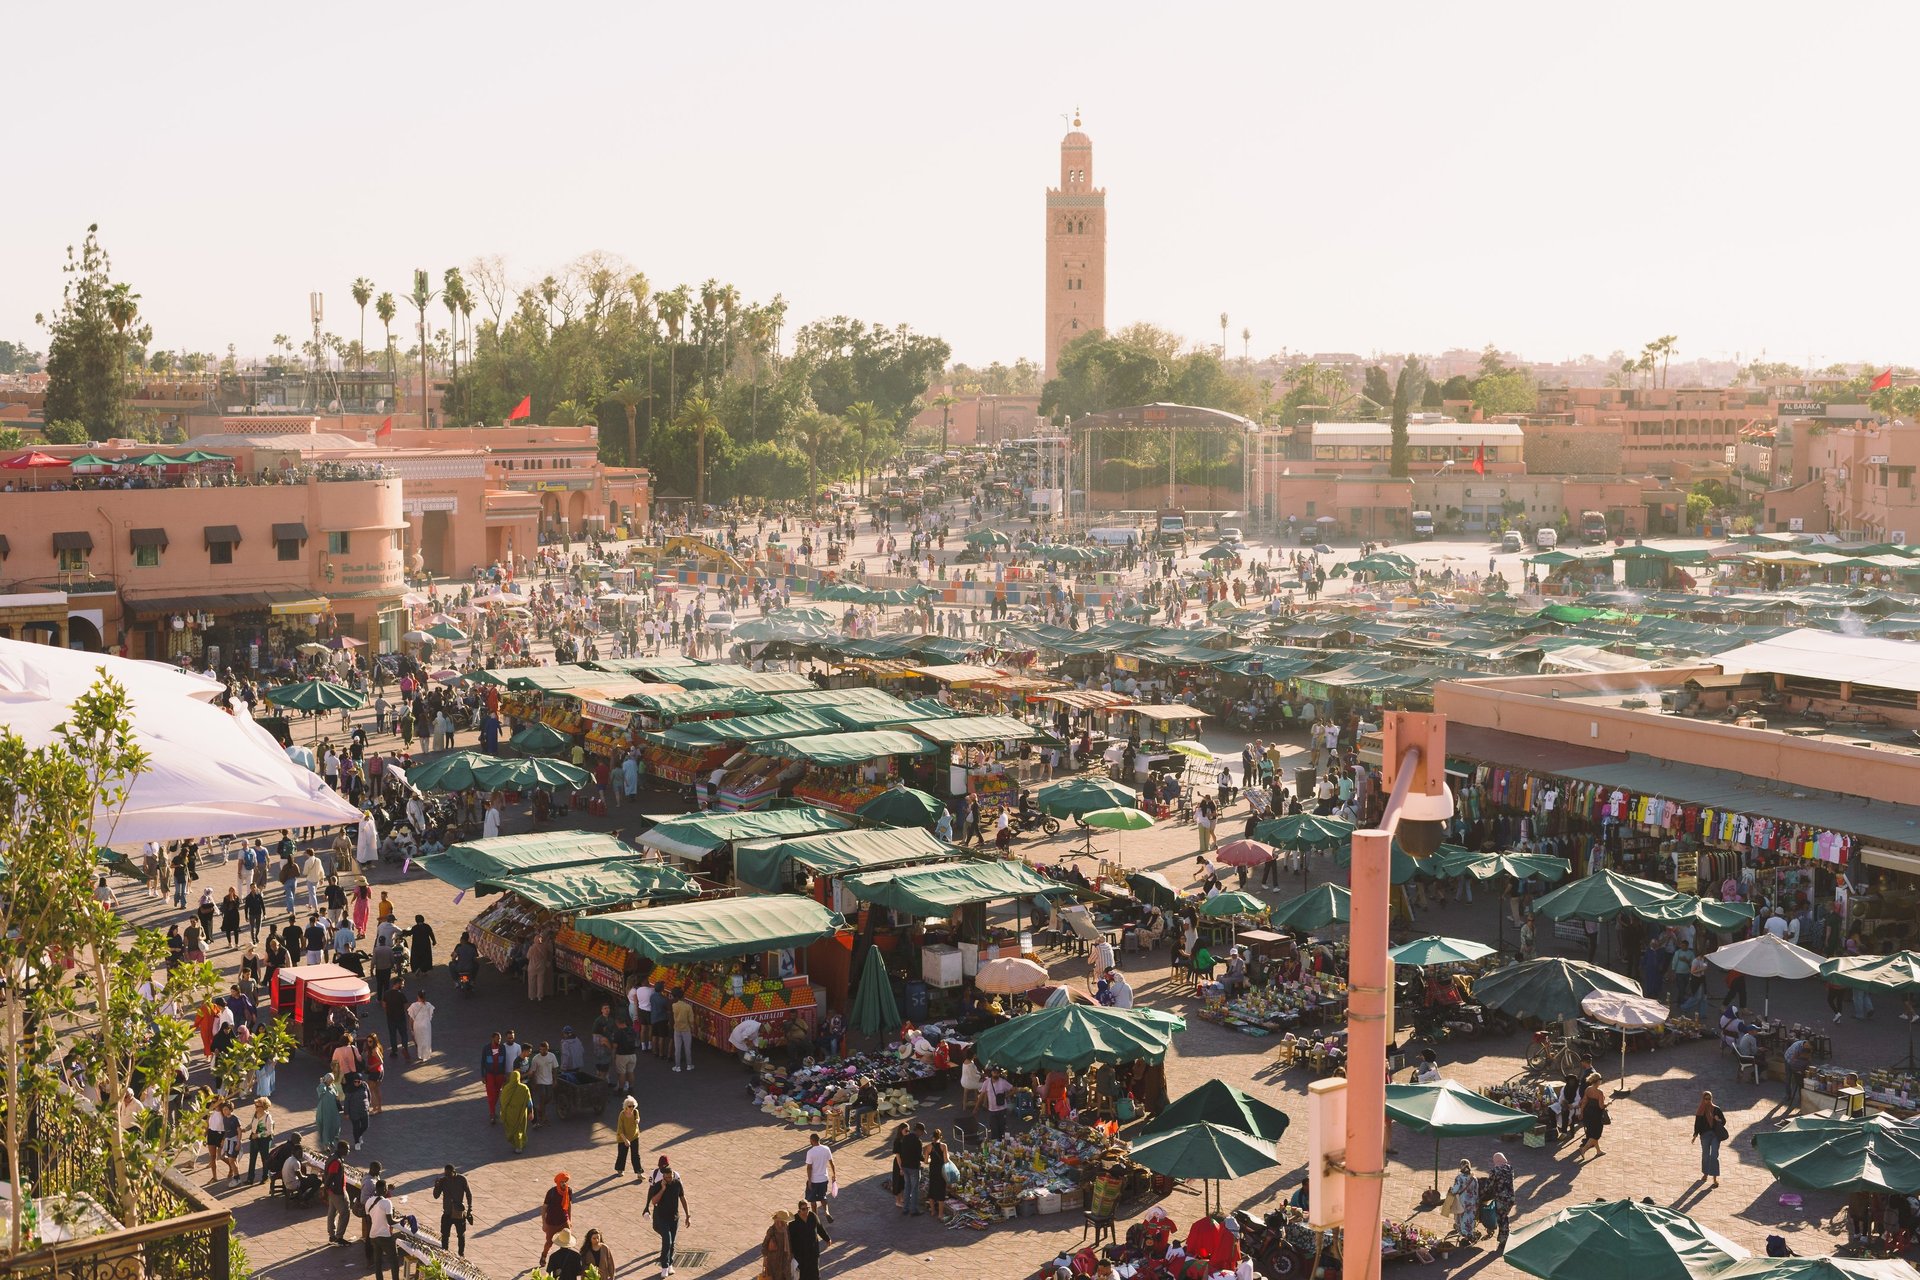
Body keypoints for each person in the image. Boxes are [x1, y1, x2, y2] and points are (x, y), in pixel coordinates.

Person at [644, 1163, 690, 1276]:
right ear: (663, 1177)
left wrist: (688, 1215)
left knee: (672, 1243)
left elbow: (683, 1198)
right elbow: (654, 1201)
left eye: (671, 1176)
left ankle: (670, 1264)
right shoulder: (658, 1185)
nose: (670, 1179)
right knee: (667, 1242)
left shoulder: (677, 1184)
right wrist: (663, 1189)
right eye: (667, 1177)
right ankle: (664, 1266)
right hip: (662, 1218)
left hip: (674, 1218)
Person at [432, 1163, 473, 1256]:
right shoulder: (443, 1180)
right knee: (445, 1236)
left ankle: (461, 1254)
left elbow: (469, 1194)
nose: (447, 1176)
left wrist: (470, 1210)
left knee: (461, 1235)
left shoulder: (462, 1179)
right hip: (447, 1213)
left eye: (449, 1174)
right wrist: (436, 1186)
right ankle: (444, 1254)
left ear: (454, 1172)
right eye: (445, 1174)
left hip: (458, 1213)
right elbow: (436, 1196)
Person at [1693, 1089, 1727, 1189]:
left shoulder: (1716, 1109)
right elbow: (1697, 1124)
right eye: (1706, 1099)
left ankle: (1715, 1178)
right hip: (1704, 1135)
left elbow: (1724, 1121)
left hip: (1715, 1135)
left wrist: (1718, 1120)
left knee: (1714, 1155)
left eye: (1709, 1098)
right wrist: (1695, 1135)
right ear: (1703, 1099)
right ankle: (1705, 1174)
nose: (1707, 1100)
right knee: (1705, 1155)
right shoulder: (1700, 1110)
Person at [790, 1199, 831, 1280]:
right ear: (799, 1210)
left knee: (815, 1272)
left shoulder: (813, 1216)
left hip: (813, 1251)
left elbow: (820, 1228)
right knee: (803, 1273)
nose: (806, 1211)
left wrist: (827, 1238)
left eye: (807, 1208)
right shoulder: (793, 1221)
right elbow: (790, 1237)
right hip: (801, 1253)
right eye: (803, 1209)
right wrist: (791, 1252)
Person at [366, 1179, 399, 1280]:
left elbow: (368, 1221)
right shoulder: (387, 1202)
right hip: (385, 1236)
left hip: (373, 1236)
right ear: (385, 1189)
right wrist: (402, 1219)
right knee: (394, 1261)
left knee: (378, 1263)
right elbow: (390, 1221)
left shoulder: (368, 1201)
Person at [322, 1140, 353, 1245]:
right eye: (347, 1149)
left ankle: (332, 1235)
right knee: (345, 1212)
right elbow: (330, 1177)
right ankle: (339, 1237)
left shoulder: (334, 1157)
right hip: (338, 1192)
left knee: (332, 1212)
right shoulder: (336, 1161)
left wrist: (327, 1190)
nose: (348, 1151)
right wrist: (325, 1190)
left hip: (332, 1190)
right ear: (341, 1149)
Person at [540, 1171, 573, 1266]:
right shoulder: (551, 1193)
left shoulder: (568, 1190)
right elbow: (544, 1208)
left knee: (566, 1241)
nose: (564, 1184)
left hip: (563, 1220)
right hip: (552, 1222)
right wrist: (544, 1223)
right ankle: (544, 1255)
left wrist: (569, 1219)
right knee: (549, 1243)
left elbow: (569, 1205)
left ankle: (564, 1260)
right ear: (558, 1182)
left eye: (565, 1181)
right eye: (562, 1182)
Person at [1574, 1072, 1610, 1158]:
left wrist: (1581, 1112)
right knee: (1596, 1135)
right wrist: (1608, 1103)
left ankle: (1598, 1151)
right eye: (1600, 1080)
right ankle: (1583, 1149)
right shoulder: (1599, 1092)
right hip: (1596, 1115)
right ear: (1597, 1081)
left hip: (1587, 1113)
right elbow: (1601, 1106)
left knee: (1592, 1133)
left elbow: (1584, 1102)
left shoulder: (1588, 1089)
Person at [1484, 1152, 1515, 1250]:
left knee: (1502, 1219)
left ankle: (1503, 1240)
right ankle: (1506, 1236)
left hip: (1501, 1199)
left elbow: (1489, 1185)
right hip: (1511, 1198)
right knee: (1504, 1217)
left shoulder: (1495, 1170)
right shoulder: (1510, 1168)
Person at [804, 1131, 836, 1222]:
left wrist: (809, 1181)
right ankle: (826, 1212)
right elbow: (831, 1163)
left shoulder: (810, 1152)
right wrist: (834, 1175)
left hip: (814, 1180)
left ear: (811, 1141)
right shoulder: (826, 1149)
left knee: (813, 1200)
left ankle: (816, 1218)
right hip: (824, 1178)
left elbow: (809, 1168)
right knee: (823, 1197)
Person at [501, 1069, 533, 1152]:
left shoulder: (507, 1088)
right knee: (520, 1128)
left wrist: (503, 1111)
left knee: (514, 1129)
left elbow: (503, 1101)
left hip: (510, 1113)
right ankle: (521, 1142)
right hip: (522, 1112)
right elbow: (529, 1102)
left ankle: (518, 1146)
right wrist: (531, 1112)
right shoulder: (524, 1088)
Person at [480, 1032, 509, 1122]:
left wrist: (504, 1074)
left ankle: (492, 1109)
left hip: (499, 1074)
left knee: (497, 1093)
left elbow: (504, 1061)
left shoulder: (502, 1048)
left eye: (500, 1039)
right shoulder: (486, 1048)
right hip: (490, 1074)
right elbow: (482, 1062)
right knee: (491, 1094)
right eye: (498, 1038)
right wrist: (483, 1075)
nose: (499, 1040)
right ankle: (492, 1113)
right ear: (493, 1038)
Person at [898, 1119, 925, 1216]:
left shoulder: (905, 1138)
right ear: (918, 1131)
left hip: (905, 1166)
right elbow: (919, 1156)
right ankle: (913, 1210)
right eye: (922, 1132)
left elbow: (902, 1151)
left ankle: (905, 1208)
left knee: (907, 1187)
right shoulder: (918, 1141)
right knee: (914, 1189)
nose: (922, 1134)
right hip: (913, 1167)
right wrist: (927, 1159)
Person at [1448, 1159, 1480, 1239]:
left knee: (1462, 1218)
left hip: (1462, 1202)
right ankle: (1469, 1233)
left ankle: (1463, 1233)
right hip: (1472, 1202)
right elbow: (1476, 1191)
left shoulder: (1459, 1178)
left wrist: (1451, 1190)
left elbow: (1455, 1190)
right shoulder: (1474, 1178)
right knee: (1469, 1218)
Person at [614, 1094, 643, 1177]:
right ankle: (620, 1169)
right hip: (623, 1137)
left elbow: (638, 1118)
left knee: (635, 1155)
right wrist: (625, 1140)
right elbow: (620, 1129)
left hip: (634, 1136)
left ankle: (639, 1172)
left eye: (633, 1106)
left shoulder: (635, 1112)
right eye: (630, 1106)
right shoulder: (622, 1115)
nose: (632, 1108)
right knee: (622, 1154)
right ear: (626, 1106)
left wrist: (637, 1120)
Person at [926, 1126, 951, 1220]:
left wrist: (931, 1160)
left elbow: (925, 1161)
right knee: (941, 1191)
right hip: (941, 1170)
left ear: (932, 1137)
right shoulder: (944, 1146)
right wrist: (948, 1156)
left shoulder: (928, 1146)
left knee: (932, 1189)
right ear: (940, 1137)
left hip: (933, 1169)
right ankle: (940, 1214)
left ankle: (932, 1211)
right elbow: (945, 1160)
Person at [314, 1073, 342, 1153]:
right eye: (330, 1080)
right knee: (326, 1127)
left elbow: (336, 1094)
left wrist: (337, 1097)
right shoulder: (322, 1086)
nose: (332, 1082)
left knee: (335, 1125)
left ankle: (331, 1141)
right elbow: (321, 1091)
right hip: (324, 1110)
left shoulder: (333, 1086)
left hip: (333, 1110)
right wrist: (322, 1083)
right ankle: (326, 1145)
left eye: (332, 1080)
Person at [761, 1211, 793, 1280]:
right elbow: (764, 1245)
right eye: (785, 1220)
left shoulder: (786, 1229)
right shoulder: (772, 1230)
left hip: (785, 1259)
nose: (786, 1222)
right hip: (774, 1261)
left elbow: (789, 1243)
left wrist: (791, 1255)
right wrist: (765, 1260)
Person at [1784, 1036, 1812, 1113]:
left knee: (1799, 1080)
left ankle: (1800, 1098)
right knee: (1789, 1078)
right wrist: (1797, 1070)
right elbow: (1792, 1061)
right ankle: (1788, 1095)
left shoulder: (1808, 1048)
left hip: (1797, 1063)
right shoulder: (1797, 1049)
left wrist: (1808, 1066)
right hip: (1789, 1060)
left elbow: (1809, 1058)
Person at [409, 990, 435, 1061]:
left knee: (418, 1040)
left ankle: (420, 1054)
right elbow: (430, 1016)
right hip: (426, 1025)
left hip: (417, 1025)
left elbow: (411, 1018)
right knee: (426, 1039)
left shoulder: (413, 1005)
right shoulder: (429, 1005)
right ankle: (426, 1054)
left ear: (417, 996)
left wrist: (411, 1028)